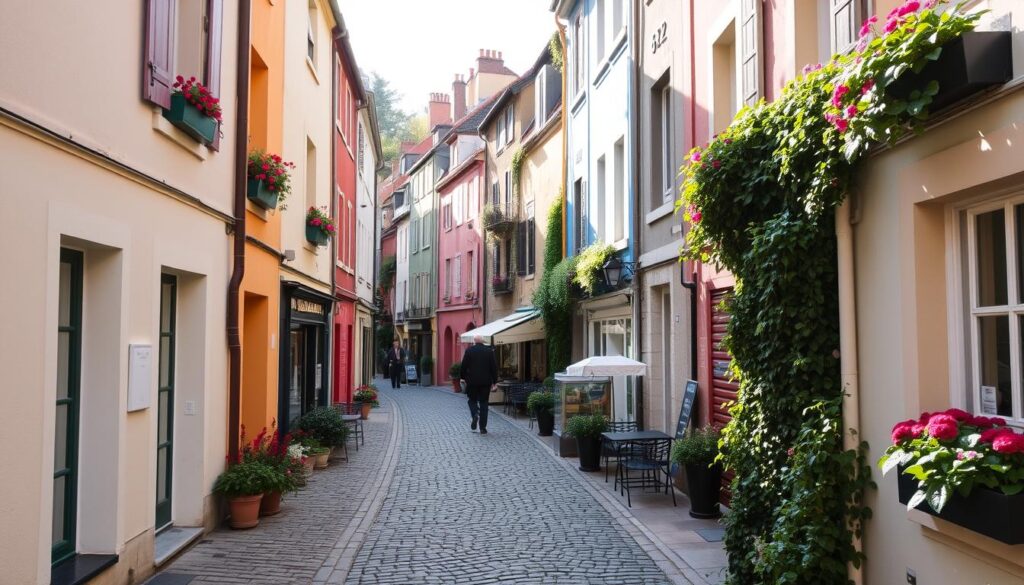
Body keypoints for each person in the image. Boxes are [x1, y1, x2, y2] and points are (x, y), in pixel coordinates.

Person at [459, 335, 498, 434]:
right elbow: (494, 367)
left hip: (472, 382)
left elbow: (463, 366)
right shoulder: (489, 351)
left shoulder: (469, 351)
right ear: (483, 341)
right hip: (485, 382)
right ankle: (483, 428)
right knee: (484, 403)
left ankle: (475, 413)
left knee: (472, 400)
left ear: (474, 341)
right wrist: (495, 382)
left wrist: (462, 377)